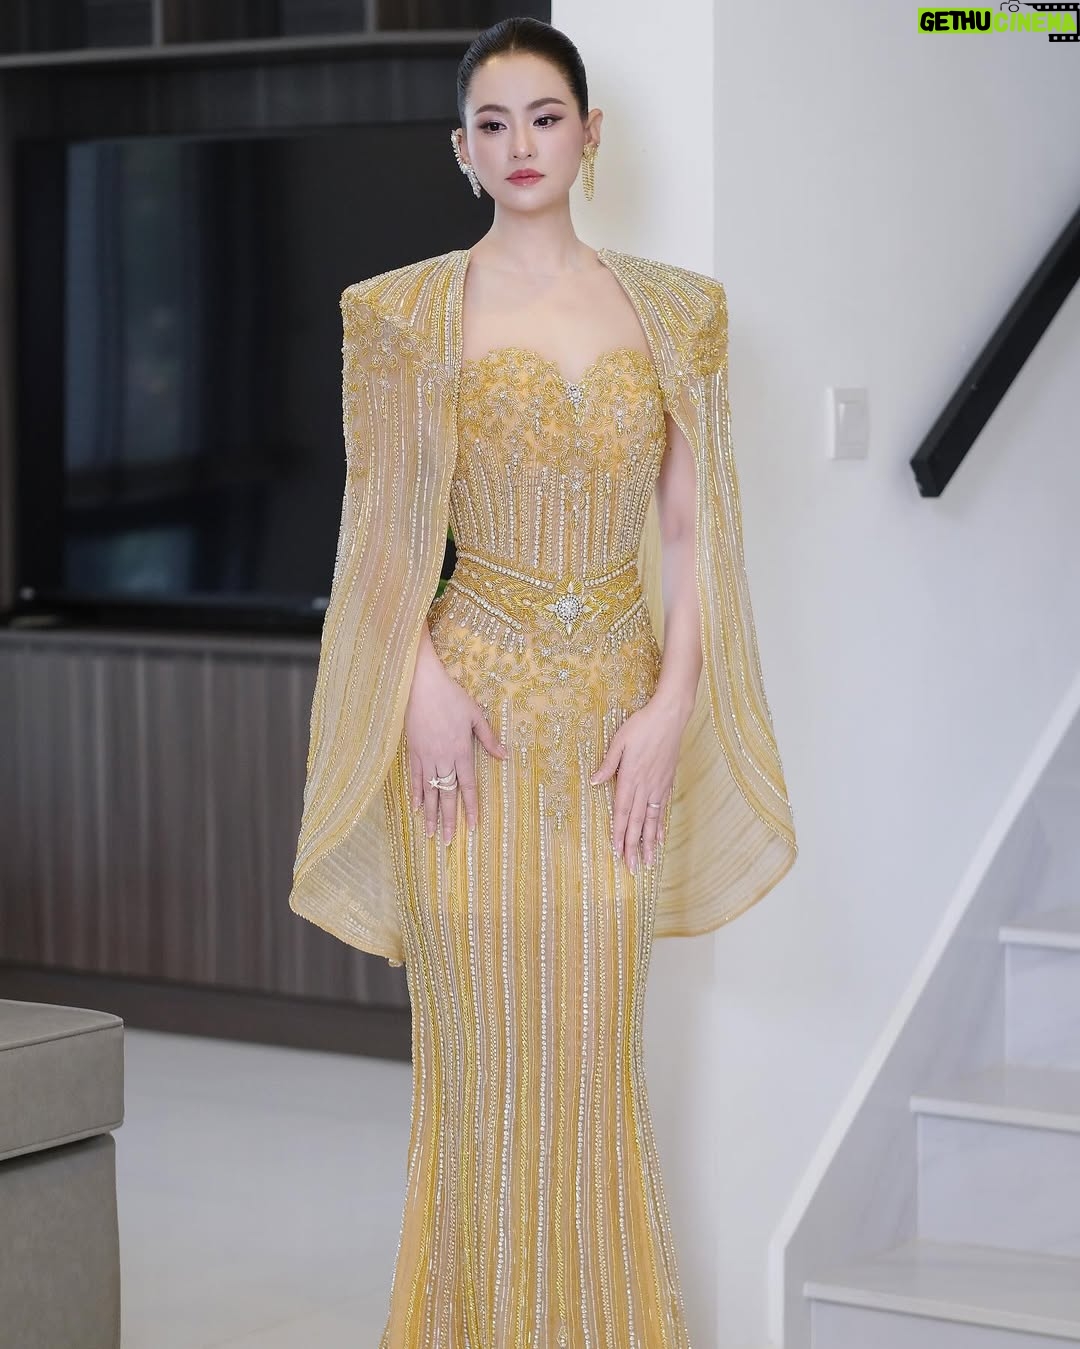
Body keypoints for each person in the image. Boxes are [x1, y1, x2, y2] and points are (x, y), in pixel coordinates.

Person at [287, 16, 797, 1347]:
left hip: (617, 723)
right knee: (481, 1057)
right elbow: (379, 535)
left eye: (546, 116)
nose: (521, 143)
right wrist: (416, 685)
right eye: (494, 123)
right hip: (469, 726)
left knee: (592, 1054)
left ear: (590, 133)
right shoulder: (400, 314)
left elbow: (692, 530)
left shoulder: (680, 312)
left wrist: (674, 705)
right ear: (460, 149)